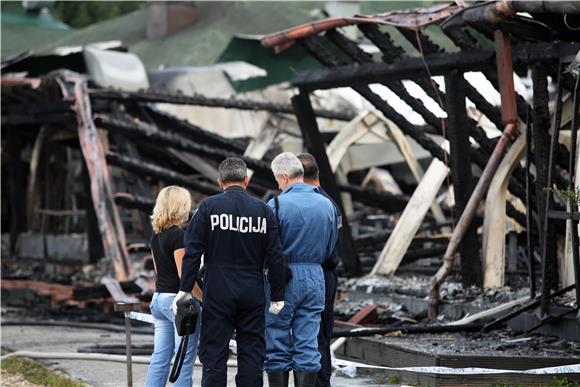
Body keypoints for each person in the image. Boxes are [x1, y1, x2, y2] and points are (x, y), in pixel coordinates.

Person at [173, 157, 286, 387]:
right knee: (252, 352)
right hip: (252, 289)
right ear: (246, 180)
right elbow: (276, 256)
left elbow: (192, 253)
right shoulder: (263, 211)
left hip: (218, 289)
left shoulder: (208, 207)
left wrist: (185, 289)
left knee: (214, 352)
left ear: (220, 182)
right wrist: (277, 294)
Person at [265, 152, 339, 387]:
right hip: (315, 276)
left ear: (285, 177)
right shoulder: (327, 205)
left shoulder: (275, 205)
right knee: (308, 342)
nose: (278, 183)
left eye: (278, 179)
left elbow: (268, 248)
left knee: (277, 339)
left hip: (282, 278)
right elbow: (330, 247)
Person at [146, 185, 201, 387]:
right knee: (184, 361)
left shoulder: (155, 236)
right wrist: (204, 298)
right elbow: (185, 276)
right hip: (177, 303)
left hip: (159, 299)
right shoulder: (179, 236)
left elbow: (159, 273)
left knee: (159, 358)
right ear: (180, 207)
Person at [297, 153, 341, 387]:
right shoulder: (329, 204)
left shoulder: (312, 204)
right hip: (325, 277)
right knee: (320, 337)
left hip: (315, 277)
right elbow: (335, 253)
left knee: (313, 340)